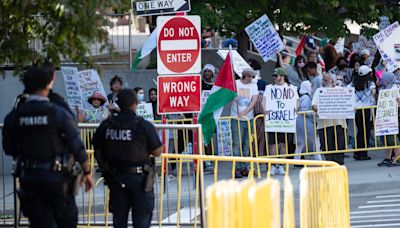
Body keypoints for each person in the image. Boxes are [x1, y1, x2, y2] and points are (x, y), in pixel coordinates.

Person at [2, 67, 93, 227]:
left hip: (29, 177)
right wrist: (87, 171)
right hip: (57, 179)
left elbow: (9, 148)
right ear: (50, 82)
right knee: (66, 221)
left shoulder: (14, 116)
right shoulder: (58, 113)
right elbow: (76, 145)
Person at [93, 89, 162, 228]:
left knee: (119, 220)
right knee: (141, 220)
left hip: (116, 178)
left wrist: (105, 168)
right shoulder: (143, 125)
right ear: (135, 104)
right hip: (139, 180)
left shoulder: (107, 125)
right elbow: (157, 151)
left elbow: (97, 149)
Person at [264, 68, 299, 175]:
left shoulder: (291, 88)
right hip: (273, 120)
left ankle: (281, 165)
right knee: (272, 144)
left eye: (277, 76)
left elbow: (296, 102)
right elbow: (264, 101)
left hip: (285, 121)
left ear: (282, 76)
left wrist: (295, 109)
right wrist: (265, 110)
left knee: (284, 144)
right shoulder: (269, 88)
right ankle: (273, 165)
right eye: (274, 76)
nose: (275, 78)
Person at [312, 73, 347, 165]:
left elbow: (348, 102)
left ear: (332, 80)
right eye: (323, 79)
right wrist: (320, 110)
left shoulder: (341, 90)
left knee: (340, 143)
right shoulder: (319, 91)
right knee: (327, 144)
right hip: (324, 123)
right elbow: (314, 105)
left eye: (326, 79)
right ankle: (330, 162)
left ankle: (339, 162)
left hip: (339, 122)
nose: (324, 81)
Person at [231, 68, 259, 178]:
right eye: (250, 77)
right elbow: (231, 96)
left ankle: (244, 167)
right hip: (236, 118)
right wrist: (233, 97)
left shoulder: (253, 86)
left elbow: (254, 100)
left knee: (247, 144)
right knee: (237, 144)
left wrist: (246, 112)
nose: (252, 79)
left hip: (249, 118)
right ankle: (236, 167)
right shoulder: (236, 84)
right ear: (245, 76)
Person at [348, 65, 376, 160]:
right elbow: (373, 92)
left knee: (359, 131)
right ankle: (363, 153)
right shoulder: (370, 83)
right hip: (366, 109)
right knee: (365, 131)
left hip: (356, 110)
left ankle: (357, 152)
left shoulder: (353, 83)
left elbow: (346, 90)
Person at [376, 72, 400, 166]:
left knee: (393, 138)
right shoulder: (384, 89)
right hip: (386, 116)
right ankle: (388, 158)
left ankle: (397, 158)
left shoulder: (396, 88)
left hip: (394, 116)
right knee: (386, 137)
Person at [295, 81, 321, 161]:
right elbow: (305, 110)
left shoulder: (302, 97)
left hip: (301, 122)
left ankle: (296, 159)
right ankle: (318, 158)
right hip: (307, 122)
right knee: (316, 140)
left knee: (301, 142)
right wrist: (314, 114)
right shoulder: (306, 98)